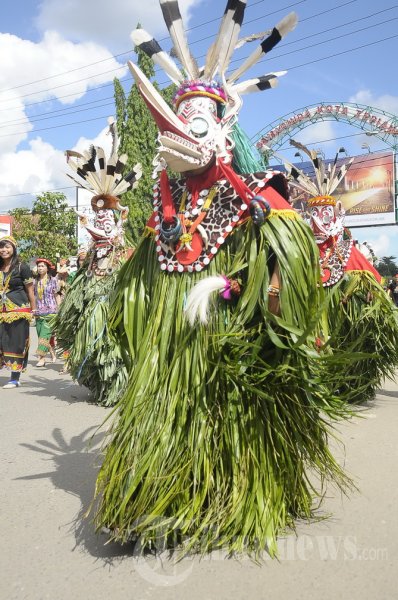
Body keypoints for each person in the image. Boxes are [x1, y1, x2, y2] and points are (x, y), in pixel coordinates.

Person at [92, 1, 352, 557]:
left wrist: (242, 287)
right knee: (169, 415)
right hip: (174, 357)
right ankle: (160, 498)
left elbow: (295, 264)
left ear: (224, 128)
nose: (179, 132)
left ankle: (229, 499)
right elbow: (137, 280)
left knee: (231, 416)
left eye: (197, 122)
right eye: (177, 120)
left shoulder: (260, 197)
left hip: (232, 346)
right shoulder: (166, 213)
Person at [285, 139, 398, 403]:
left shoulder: (348, 249)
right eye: (314, 214)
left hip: (341, 317)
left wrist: (367, 293)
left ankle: (349, 383)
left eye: (325, 214)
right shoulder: (301, 251)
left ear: (336, 214)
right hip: (311, 314)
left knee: (344, 346)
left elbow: (371, 278)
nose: (319, 221)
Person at [53, 119, 142, 403]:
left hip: (111, 280)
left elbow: (113, 234)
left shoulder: (115, 232)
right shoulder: (99, 231)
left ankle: (118, 379)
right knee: (85, 324)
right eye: (99, 211)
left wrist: (115, 225)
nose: (103, 215)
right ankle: (97, 378)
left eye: (107, 211)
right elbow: (100, 235)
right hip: (93, 278)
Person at [0, 235, 35, 389]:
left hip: (19, 309)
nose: (4, 250)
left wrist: (33, 309)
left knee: (16, 343)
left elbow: (30, 290)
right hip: (1, 309)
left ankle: (15, 378)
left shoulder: (22, 267)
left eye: (7, 247)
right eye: (1, 247)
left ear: (14, 249)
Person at [34, 258, 59, 367]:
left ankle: (42, 358)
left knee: (44, 335)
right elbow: (33, 297)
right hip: (38, 312)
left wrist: (60, 309)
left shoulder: (53, 280)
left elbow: (56, 295)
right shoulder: (34, 282)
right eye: (39, 266)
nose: (40, 268)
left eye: (42, 266)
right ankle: (52, 353)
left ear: (47, 268)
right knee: (42, 336)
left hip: (51, 312)